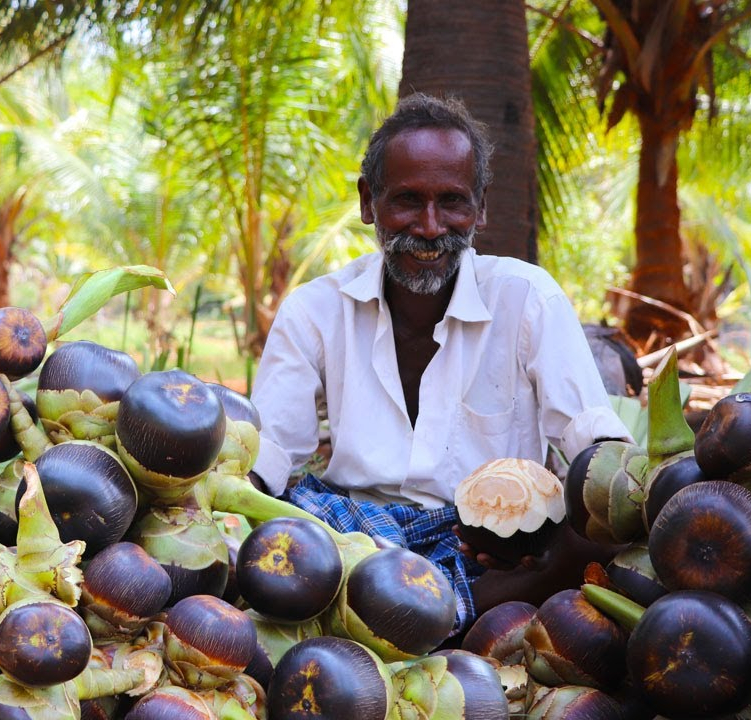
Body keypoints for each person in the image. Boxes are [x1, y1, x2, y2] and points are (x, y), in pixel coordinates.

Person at [249, 93, 632, 633]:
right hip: (351, 532)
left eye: (451, 201)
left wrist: (606, 501)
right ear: (368, 202)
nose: (430, 228)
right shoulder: (315, 310)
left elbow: (590, 437)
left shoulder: (526, 300)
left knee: (583, 543)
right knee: (278, 536)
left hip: (488, 547)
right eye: (407, 200)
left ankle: (431, 614)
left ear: (481, 206)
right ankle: (438, 618)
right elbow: (268, 454)